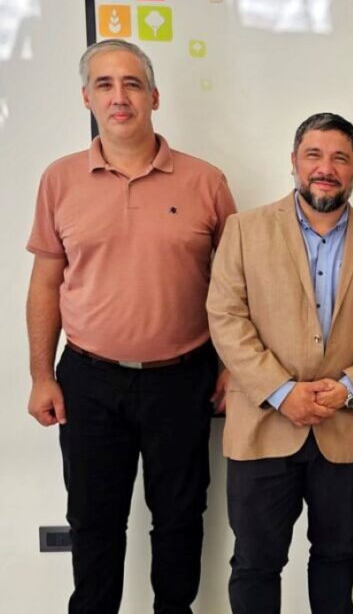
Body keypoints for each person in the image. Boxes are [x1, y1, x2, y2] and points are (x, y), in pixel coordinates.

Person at [25, 39, 237, 614]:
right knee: (94, 522)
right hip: (88, 380)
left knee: (180, 520)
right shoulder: (59, 180)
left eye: (132, 84)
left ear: (154, 97)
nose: (119, 97)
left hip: (183, 378)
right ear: (87, 98)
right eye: (105, 85)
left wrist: (230, 367)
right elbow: (45, 283)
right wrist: (41, 376)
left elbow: (235, 285)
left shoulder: (206, 181)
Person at [206, 112, 353, 614]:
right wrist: (282, 392)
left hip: (346, 428)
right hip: (262, 428)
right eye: (314, 155)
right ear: (294, 162)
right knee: (255, 564)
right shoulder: (244, 230)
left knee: (338, 560)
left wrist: (348, 387)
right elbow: (226, 317)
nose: (326, 168)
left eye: (340, 158)